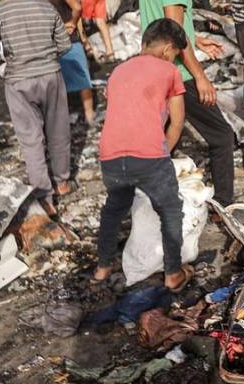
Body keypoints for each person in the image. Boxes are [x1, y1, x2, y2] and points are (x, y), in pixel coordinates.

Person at [139, 0, 236, 205]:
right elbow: (173, 30)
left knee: (166, 134)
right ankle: (226, 204)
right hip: (178, 73)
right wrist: (201, 76)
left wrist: (196, 39)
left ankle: (152, 192)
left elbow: (162, 25)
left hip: (153, 70)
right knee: (222, 136)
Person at [92, 18, 193, 292]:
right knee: (170, 209)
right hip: (148, 154)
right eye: (174, 55)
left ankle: (103, 267)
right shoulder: (169, 71)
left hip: (110, 154)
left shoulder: (118, 71)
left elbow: (122, 112)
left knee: (114, 208)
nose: (173, 60)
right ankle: (172, 272)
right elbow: (177, 120)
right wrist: (163, 153)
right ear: (167, 49)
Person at [0, 0, 72, 215]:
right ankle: (63, 182)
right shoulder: (46, 8)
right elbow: (65, 46)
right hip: (51, 76)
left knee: (31, 139)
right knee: (58, 131)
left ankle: (45, 197)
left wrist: (6, 58)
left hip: (18, 80)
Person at [31, 0, 95, 122]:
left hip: (47, 42)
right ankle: (89, 114)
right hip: (68, 40)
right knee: (82, 77)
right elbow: (77, 6)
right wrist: (72, 22)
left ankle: (61, 117)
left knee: (57, 82)